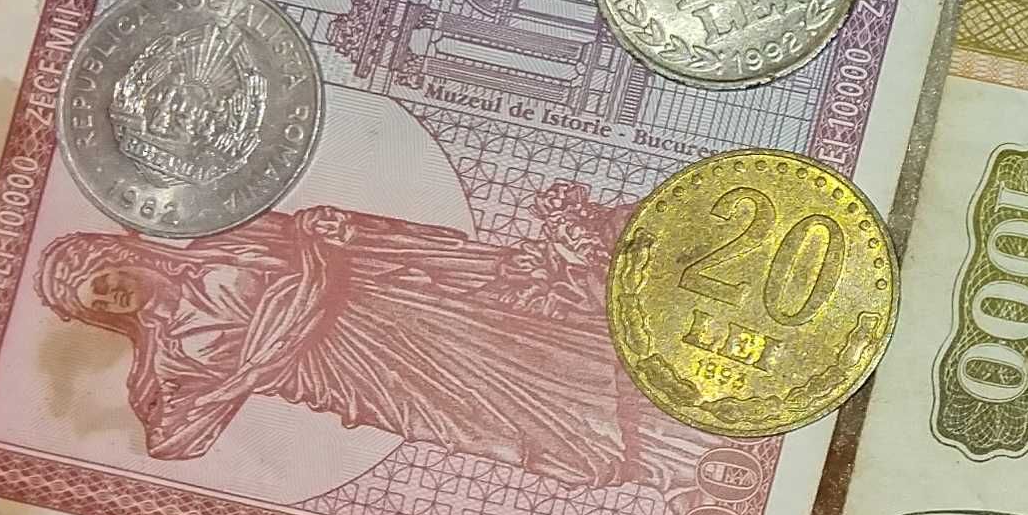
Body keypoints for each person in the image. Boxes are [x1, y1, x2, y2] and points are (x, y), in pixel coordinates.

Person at [39, 182, 650, 481]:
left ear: (121, 254)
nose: (115, 294)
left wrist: (322, 240)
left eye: (105, 277)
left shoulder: (222, 240)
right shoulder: (165, 358)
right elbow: (172, 441)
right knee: (481, 411)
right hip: (364, 377)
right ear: (100, 316)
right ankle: (610, 442)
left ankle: (625, 367)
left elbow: (324, 236)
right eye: (100, 302)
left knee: (523, 347)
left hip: (397, 309)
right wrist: (246, 374)